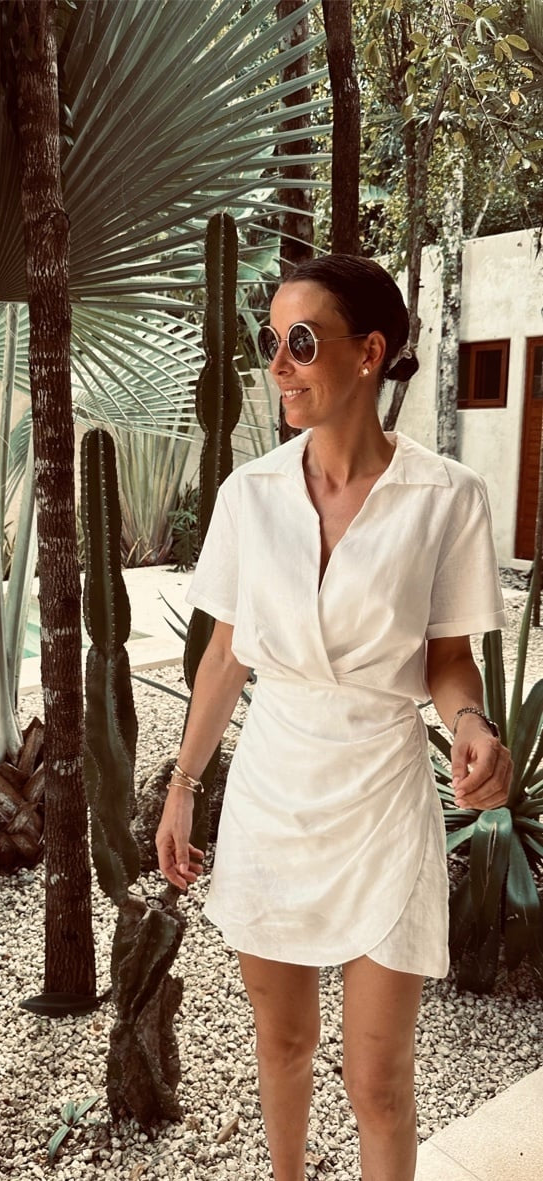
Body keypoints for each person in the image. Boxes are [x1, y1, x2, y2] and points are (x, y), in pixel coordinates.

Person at [156, 254, 512, 1181]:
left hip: (381, 803)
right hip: (272, 796)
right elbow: (226, 654)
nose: (276, 364)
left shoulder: (447, 497)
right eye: (269, 341)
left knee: (378, 1085)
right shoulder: (247, 495)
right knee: (281, 1048)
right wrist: (182, 786)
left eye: (301, 342)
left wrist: (470, 724)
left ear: (369, 352)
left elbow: (445, 657)